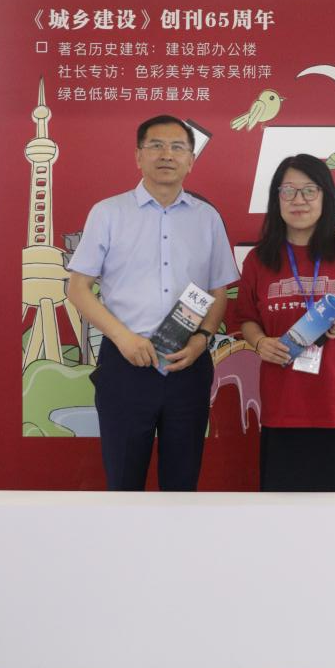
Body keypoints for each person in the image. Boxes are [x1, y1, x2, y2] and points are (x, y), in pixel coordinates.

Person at [66, 115, 238, 492]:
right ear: (138, 156)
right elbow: (78, 289)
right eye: (156, 146)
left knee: (182, 483)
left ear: (191, 160)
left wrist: (202, 339)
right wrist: (123, 338)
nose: (166, 155)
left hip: (187, 364)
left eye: (178, 147)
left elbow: (218, 291)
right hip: (126, 363)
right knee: (124, 482)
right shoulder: (108, 213)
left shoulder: (207, 218)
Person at [237, 154, 335, 492]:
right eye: (288, 191)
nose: (299, 200)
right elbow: (247, 319)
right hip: (284, 404)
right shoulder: (259, 260)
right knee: (285, 511)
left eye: (309, 190)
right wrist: (260, 343)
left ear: (325, 197)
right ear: (276, 198)